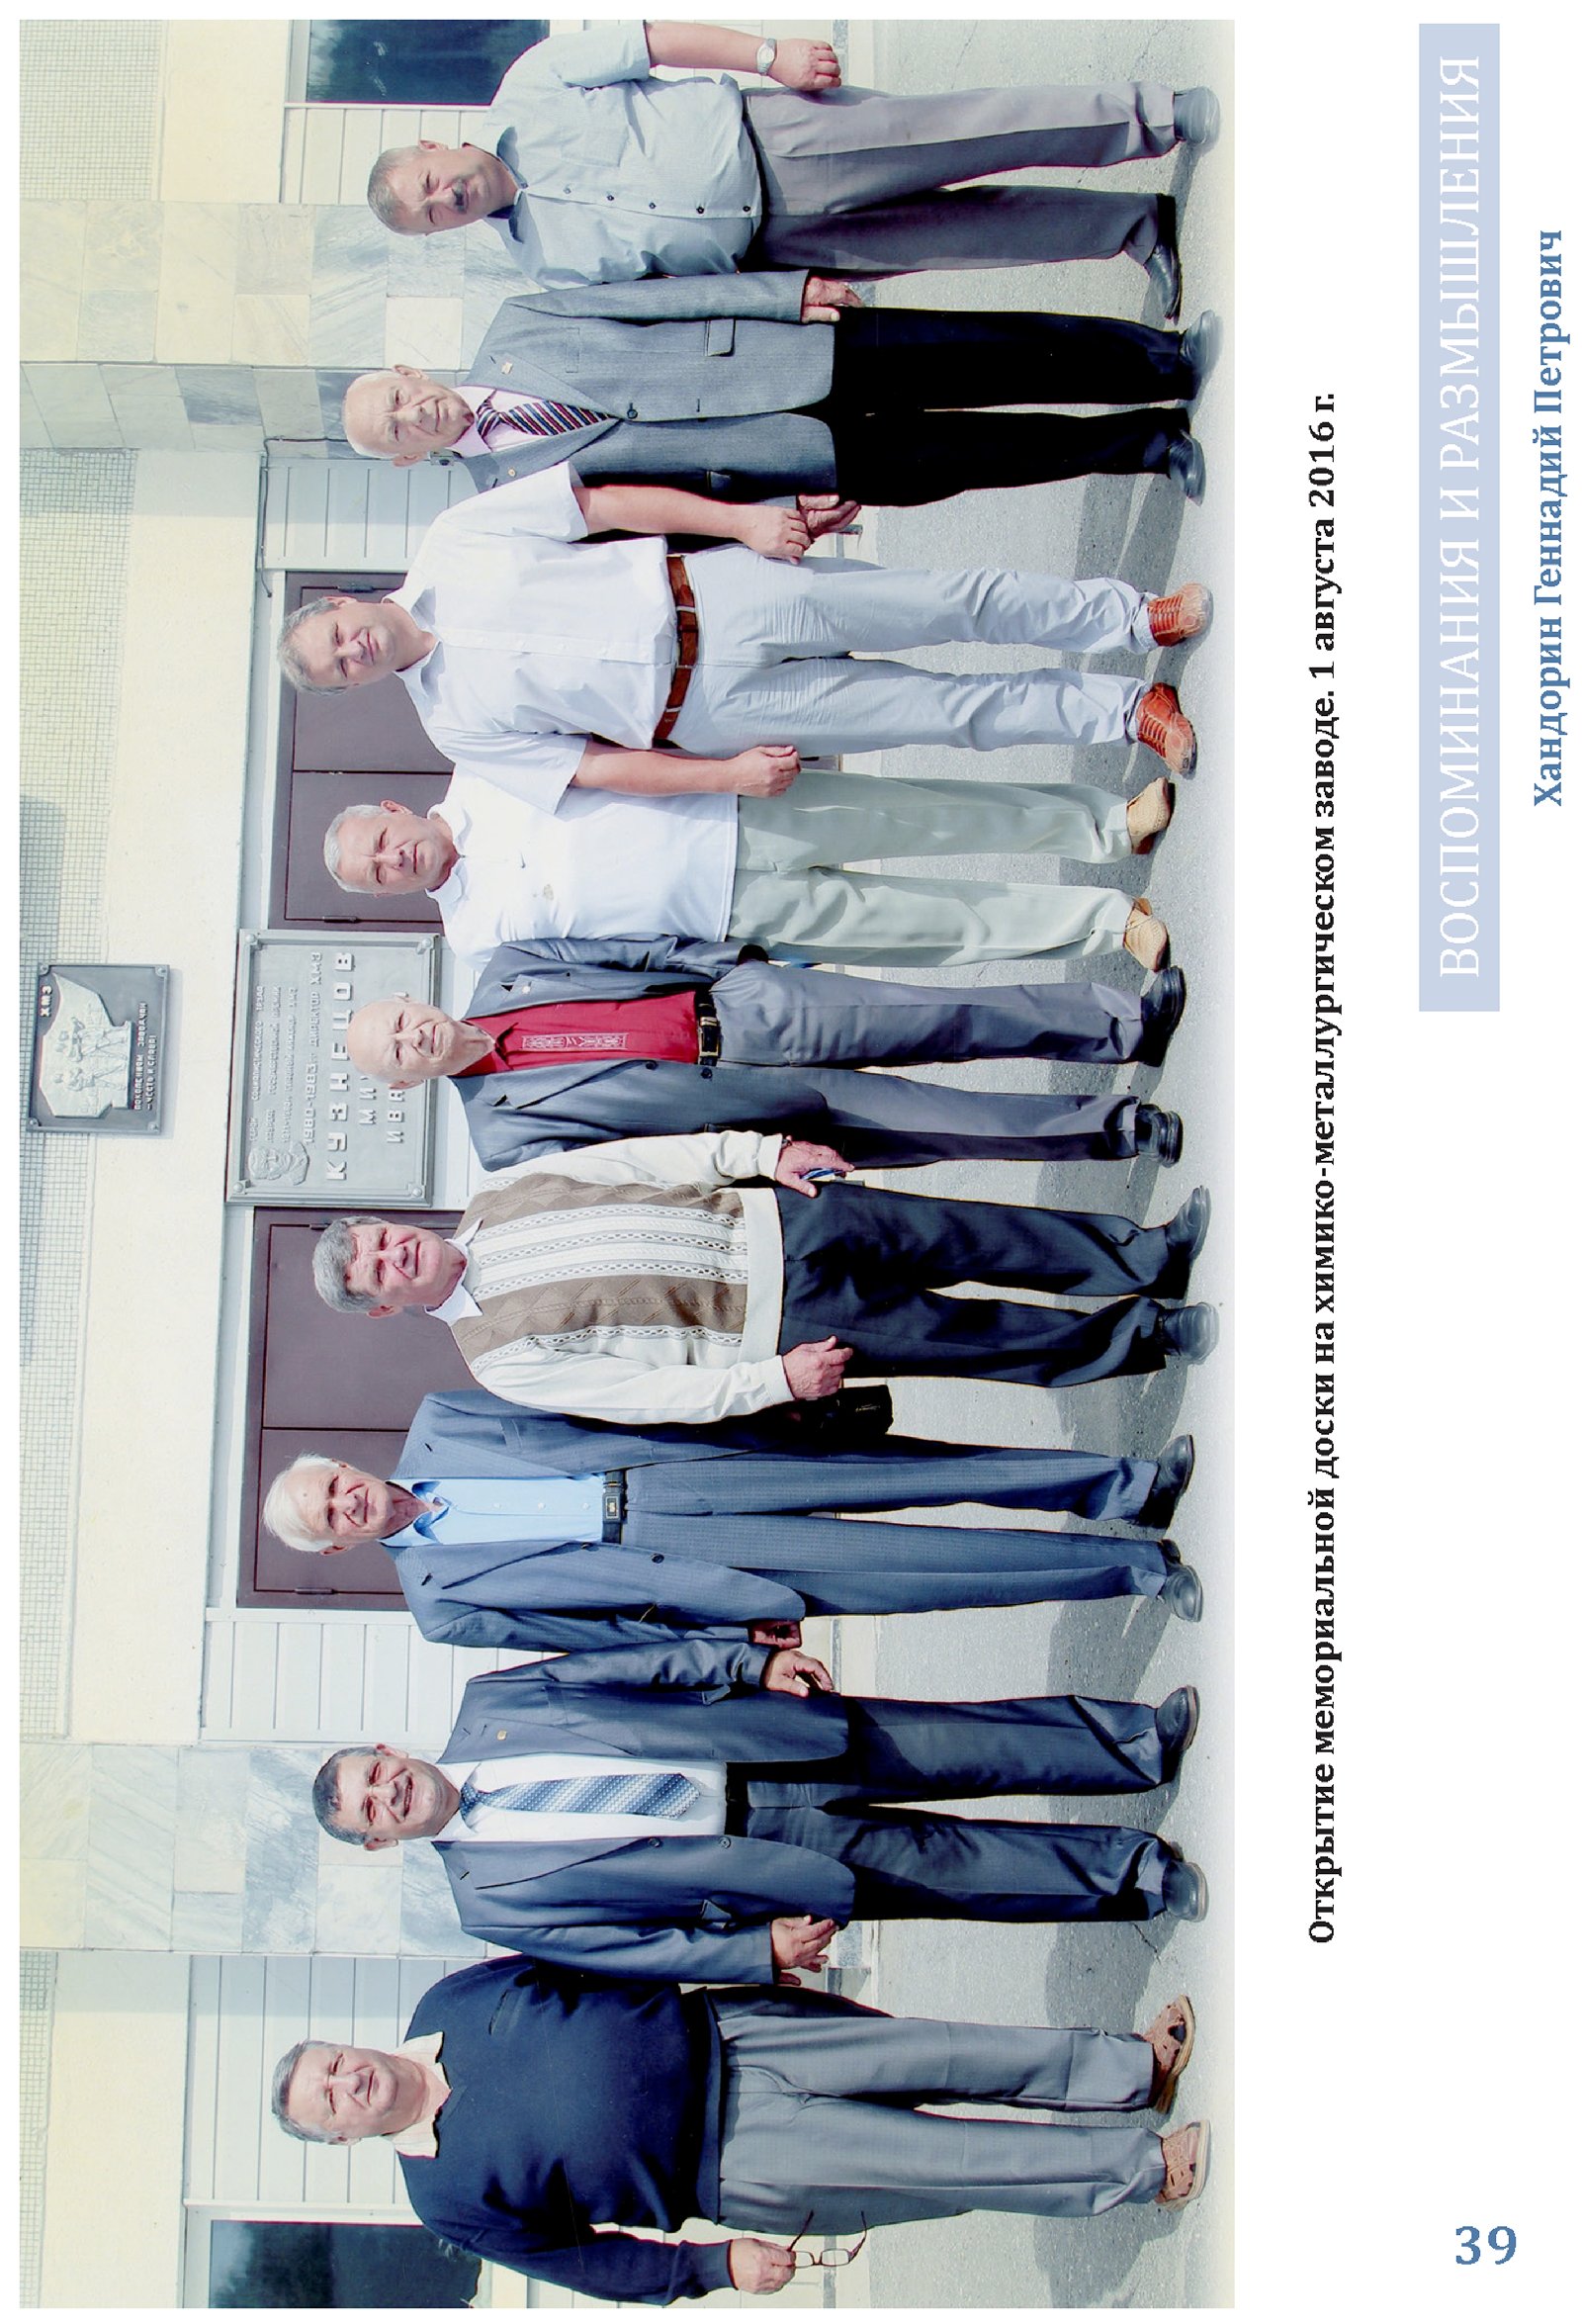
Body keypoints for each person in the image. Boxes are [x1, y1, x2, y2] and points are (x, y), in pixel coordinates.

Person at [272, 1956, 1207, 2299]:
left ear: (343, 2044)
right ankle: (1140, 2170)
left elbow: (598, 1954)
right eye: (331, 2103)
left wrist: (745, 1950)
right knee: (950, 2160)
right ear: (343, 2139)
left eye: (332, 2066)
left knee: (950, 2049)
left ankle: (1132, 2070)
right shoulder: (441, 2195)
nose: (347, 2083)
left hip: (734, 2031)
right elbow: (584, 2264)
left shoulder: (450, 2000)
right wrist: (714, 2268)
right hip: (731, 2162)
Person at [277, 464, 1203, 792]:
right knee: (944, 713)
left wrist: (741, 523)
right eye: (339, 669)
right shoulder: (453, 727)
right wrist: (722, 774)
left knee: (949, 601)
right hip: (708, 710)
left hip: (718, 592)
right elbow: (591, 768)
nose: (353, 651)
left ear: (346, 604)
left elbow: (600, 506)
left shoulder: (454, 539)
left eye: (338, 635)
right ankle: (1128, 713)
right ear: (353, 687)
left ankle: (1133, 617)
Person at [308, 1647, 1210, 1975]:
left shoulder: (491, 1702)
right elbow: (629, 1950)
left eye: (375, 1775)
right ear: (379, 1842)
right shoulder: (487, 1905)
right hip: (758, 1864)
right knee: (964, 1871)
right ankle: (1139, 1875)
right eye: (371, 1812)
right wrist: (752, 1952)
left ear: (389, 1750)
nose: (389, 1793)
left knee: (961, 1739)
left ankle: (1135, 1743)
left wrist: (749, 1665)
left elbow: (628, 1669)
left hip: (757, 1739)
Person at [309, 1129, 1219, 1422]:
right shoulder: (496, 1359)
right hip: (785, 1324)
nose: (396, 1252)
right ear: (385, 1307)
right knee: (977, 1340)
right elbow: (648, 1396)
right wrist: (772, 1384)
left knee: (978, 1234)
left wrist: (760, 1154)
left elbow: (644, 1160)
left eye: (383, 1237)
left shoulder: (501, 1193)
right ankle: (1149, 1338)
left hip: (780, 1218)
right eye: (380, 1271)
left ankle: (1147, 1254)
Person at [365, 20, 1219, 307]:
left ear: (435, 147)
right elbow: (672, 295)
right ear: (443, 233)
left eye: (430, 183)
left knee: (971, 131)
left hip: (775, 141)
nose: (447, 197)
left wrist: (769, 56)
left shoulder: (531, 81)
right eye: (433, 214)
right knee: (967, 235)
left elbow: (653, 42)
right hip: (773, 249)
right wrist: (789, 295)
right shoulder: (541, 264)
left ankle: (1154, 115)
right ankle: (1130, 226)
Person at [260, 1409, 1203, 1651]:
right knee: (927, 1566)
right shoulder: (441, 1608)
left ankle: (1128, 1485)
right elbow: (591, 1637)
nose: (348, 1501)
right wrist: (729, 1641)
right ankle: (1136, 1571)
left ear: (342, 1462)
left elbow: (584, 1395)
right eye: (330, 1518)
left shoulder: (442, 1419)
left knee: (926, 1470)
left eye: (333, 1484)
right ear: (338, 1547)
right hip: (685, 1564)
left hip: (684, 1466)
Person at [344, 939, 1191, 1170]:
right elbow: (634, 1166)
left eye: (401, 1020)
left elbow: (630, 951)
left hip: (749, 1010)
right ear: (403, 1084)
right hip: (751, 1111)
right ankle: (1122, 1128)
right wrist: (756, 1158)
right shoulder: (501, 1138)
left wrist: (735, 966)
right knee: (949, 1123)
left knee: (949, 1013)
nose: (413, 1037)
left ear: (416, 999)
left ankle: (1124, 1024)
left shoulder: (510, 968)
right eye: (398, 1053)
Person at [338, 285, 1221, 504]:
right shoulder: (502, 497)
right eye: (398, 432)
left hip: (781, 348)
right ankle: (1151, 446)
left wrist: (781, 294)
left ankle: (1161, 360)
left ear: (409, 372)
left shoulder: (519, 320)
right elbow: (650, 520)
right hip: (781, 463)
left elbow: (652, 299)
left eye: (399, 398)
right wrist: (773, 517)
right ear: (409, 460)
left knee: (992, 351)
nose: (415, 416)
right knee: (985, 457)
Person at [318, 767, 1181, 975]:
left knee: (934, 811)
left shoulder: (483, 774)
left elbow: (609, 752)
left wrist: (725, 763)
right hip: (728, 917)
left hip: (733, 811)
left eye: (381, 840)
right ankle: (1112, 925)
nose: (393, 859)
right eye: (378, 874)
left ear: (393, 809)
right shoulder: (472, 938)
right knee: (941, 926)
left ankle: (1109, 823)